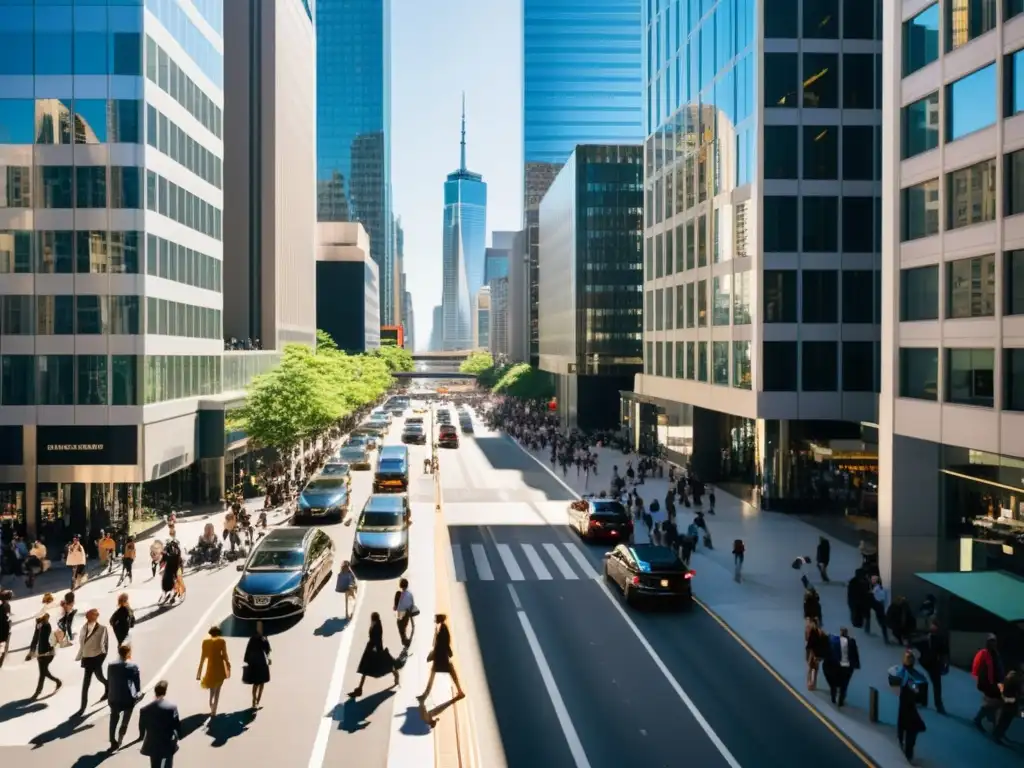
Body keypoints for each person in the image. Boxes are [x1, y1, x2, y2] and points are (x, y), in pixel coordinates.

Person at [417, 613, 465, 704]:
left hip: (441, 657)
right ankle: (460, 692)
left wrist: (434, 654)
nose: (434, 621)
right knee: (448, 673)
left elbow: (442, 644)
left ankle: (425, 695)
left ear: (439, 620)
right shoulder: (441, 628)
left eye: (436, 619)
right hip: (441, 656)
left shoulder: (442, 629)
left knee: (445, 673)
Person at [350, 612, 399, 698]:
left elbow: (378, 638)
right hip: (371, 648)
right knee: (365, 668)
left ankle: (395, 674)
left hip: (375, 649)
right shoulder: (375, 624)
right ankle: (359, 689)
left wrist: (375, 648)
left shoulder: (377, 626)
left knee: (384, 665)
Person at [139, 680, 182, 768]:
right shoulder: (172, 708)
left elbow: (142, 727)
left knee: (154, 765)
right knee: (168, 763)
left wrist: (142, 736)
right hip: (167, 741)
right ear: (165, 692)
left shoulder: (145, 710)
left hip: (153, 742)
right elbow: (177, 725)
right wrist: (178, 736)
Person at [892, 650, 926, 761]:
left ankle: (902, 743)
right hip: (910, 706)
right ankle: (908, 751)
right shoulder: (917, 676)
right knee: (913, 728)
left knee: (903, 726)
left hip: (904, 704)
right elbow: (919, 691)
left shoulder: (901, 673)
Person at [107, 643, 142, 751]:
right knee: (125, 720)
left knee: (113, 719)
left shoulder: (111, 665)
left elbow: (109, 680)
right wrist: (138, 695)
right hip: (127, 698)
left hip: (114, 697)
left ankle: (112, 740)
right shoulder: (133, 667)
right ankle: (120, 738)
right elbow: (137, 685)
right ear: (128, 653)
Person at [76, 607, 110, 715]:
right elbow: (82, 642)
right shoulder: (84, 628)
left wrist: (101, 659)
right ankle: (82, 707)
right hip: (87, 658)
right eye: (89, 615)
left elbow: (105, 646)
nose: (88, 617)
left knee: (99, 676)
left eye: (93, 615)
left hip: (96, 658)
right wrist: (81, 655)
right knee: (86, 684)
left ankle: (109, 686)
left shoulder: (102, 629)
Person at [914, 621, 949, 714]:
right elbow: (944, 654)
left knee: (928, 681)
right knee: (936, 684)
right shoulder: (939, 639)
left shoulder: (926, 638)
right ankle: (938, 704)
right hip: (931, 663)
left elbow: (944, 653)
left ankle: (920, 699)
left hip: (927, 662)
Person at [972, 633, 1005, 731]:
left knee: (997, 701)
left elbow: (999, 669)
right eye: (991, 641)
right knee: (995, 701)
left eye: (994, 641)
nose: (993, 643)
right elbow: (977, 667)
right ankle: (982, 718)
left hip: (997, 682)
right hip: (988, 683)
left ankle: (989, 718)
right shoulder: (984, 653)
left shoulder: (996, 654)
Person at [196, 625, 231, 717]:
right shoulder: (222, 641)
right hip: (219, 667)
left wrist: (199, 672)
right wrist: (227, 664)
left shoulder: (205, 642)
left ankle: (210, 703)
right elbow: (225, 654)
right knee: (218, 689)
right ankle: (214, 710)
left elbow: (203, 657)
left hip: (210, 667)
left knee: (212, 688)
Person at [27, 612, 62, 698]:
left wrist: (44, 654)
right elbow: (35, 639)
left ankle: (37, 692)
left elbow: (47, 641)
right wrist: (31, 652)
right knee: (44, 672)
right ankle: (57, 681)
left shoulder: (47, 627)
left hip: (48, 653)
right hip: (41, 653)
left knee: (43, 673)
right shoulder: (39, 626)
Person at [823, 626, 860, 707]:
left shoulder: (834, 641)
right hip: (847, 667)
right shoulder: (852, 642)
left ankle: (833, 696)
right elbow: (855, 654)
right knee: (844, 684)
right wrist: (856, 665)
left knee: (833, 682)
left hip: (837, 666)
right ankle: (841, 700)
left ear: (840, 632)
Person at [243, 621, 271, 710]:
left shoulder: (255, 638)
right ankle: (256, 701)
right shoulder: (260, 638)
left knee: (258, 683)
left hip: (257, 661)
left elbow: (248, 650)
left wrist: (247, 660)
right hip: (258, 662)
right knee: (259, 683)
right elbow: (267, 650)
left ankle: (256, 701)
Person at [993, 669, 1021, 744]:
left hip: (1006, 701)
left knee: (1003, 718)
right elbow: (1019, 692)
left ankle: (997, 733)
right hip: (1011, 702)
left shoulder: (1009, 677)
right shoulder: (1016, 680)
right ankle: (998, 735)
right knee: (1006, 720)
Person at [394, 578, 417, 648]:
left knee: (401, 631)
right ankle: (405, 642)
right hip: (407, 615)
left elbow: (395, 607)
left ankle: (406, 643)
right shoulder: (409, 594)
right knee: (404, 629)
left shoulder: (398, 594)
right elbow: (412, 605)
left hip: (400, 615)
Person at [0, 588, 12, 668]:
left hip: (3, 627)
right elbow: (6, 616)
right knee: (4, 644)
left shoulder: (2, 606)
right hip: (4, 628)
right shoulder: (6, 606)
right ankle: (2, 661)